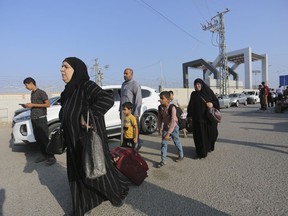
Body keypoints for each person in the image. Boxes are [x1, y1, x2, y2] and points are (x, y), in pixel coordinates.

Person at [59, 57, 129, 216]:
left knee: (99, 174)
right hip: (73, 143)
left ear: (76, 70)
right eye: (61, 66)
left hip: (88, 142)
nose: (61, 69)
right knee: (77, 175)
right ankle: (81, 207)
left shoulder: (86, 86)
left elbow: (106, 98)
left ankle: (116, 195)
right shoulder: (68, 91)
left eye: (66, 67)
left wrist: (88, 115)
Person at [22, 77, 56, 166]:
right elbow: (36, 105)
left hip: (41, 119)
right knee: (38, 139)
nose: (26, 87)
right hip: (34, 119)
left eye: (26, 85)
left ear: (31, 83)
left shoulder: (41, 92)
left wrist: (32, 104)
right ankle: (44, 155)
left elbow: (47, 104)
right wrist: (27, 106)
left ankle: (51, 157)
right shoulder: (32, 93)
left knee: (44, 139)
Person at [187, 78, 220, 159]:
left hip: (208, 120)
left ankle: (209, 147)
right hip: (198, 120)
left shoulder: (208, 92)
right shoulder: (194, 94)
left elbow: (216, 102)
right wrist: (189, 117)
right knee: (199, 137)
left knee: (212, 135)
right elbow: (191, 106)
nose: (197, 86)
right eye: (195, 85)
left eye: (199, 84)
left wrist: (212, 104)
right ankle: (201, 153)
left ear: (202, 84)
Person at [156, 91, 184, 168]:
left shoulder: (172, 108)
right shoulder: (160, 107)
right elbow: (159, 118)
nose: (160, 100)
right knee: (164, 144)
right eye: (160, 98)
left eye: (162, 98)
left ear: (168, 100)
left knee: (176, 141)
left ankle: (181, 155)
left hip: (174, 127)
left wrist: (168, 133)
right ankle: (163, 160)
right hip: (165, 127)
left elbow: (173, 121)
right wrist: (159, 128)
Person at [120, 68, 143, 151]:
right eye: (124, 74)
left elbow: (138, 99)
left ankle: (136, 146)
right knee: (125, 131)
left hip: (131, 114)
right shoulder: (123, 84)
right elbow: (122, 99)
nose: (124, 75)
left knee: (133, 132)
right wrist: (120, 111)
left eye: (126, 73)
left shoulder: (135, 84)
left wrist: (136, 113)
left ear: (131, 74)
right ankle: (125, 146)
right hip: (124, 113)